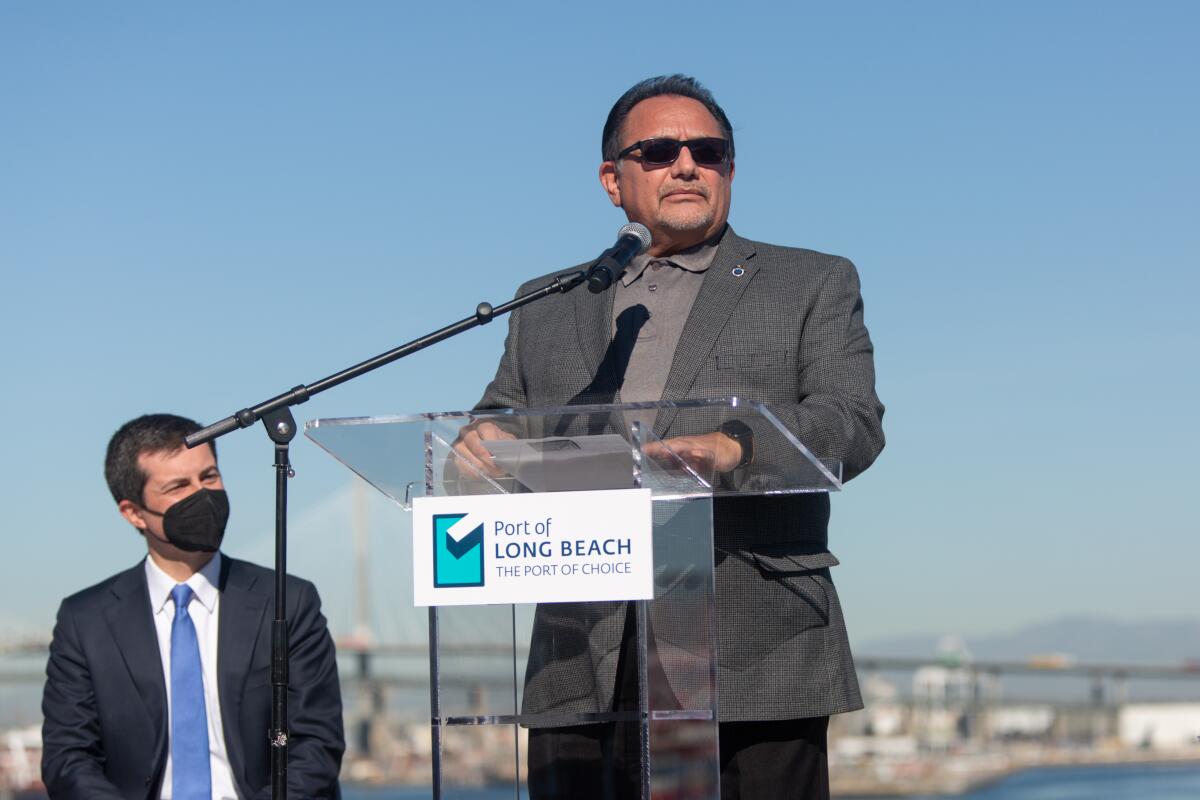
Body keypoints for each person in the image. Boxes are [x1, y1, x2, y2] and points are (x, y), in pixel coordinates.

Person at [455, 75, 885, 799]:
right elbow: (495, 422)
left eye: (708, 151)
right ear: (611, 179)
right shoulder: (547, 305)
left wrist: (739, 445)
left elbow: (853, 422)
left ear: (730, 172)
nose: (687, 164)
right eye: (658, 151)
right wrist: (476, 448)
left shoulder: (810, 282)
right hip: (582, 655)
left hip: (750, 650)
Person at [41, 414, 344, 799]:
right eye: (178, 486)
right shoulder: (84, 621)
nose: (202, 495)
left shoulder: (288, 602)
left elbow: (316, 745)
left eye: (209, 477)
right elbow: (68, 758)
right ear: (132, 512)